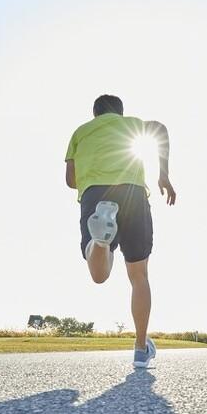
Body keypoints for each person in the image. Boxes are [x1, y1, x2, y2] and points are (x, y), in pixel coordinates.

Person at [64, 94, 176, 368]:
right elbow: (160, 129)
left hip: (95, 197)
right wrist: (164, 174)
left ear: (95, 114)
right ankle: (140, 348)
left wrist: (93, 173)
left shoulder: (80, 132)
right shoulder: (131, 124)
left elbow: (70, 180)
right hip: (133, 194)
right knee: (139, 275)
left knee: (99, 274)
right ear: (120, 113)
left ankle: (101, 242)